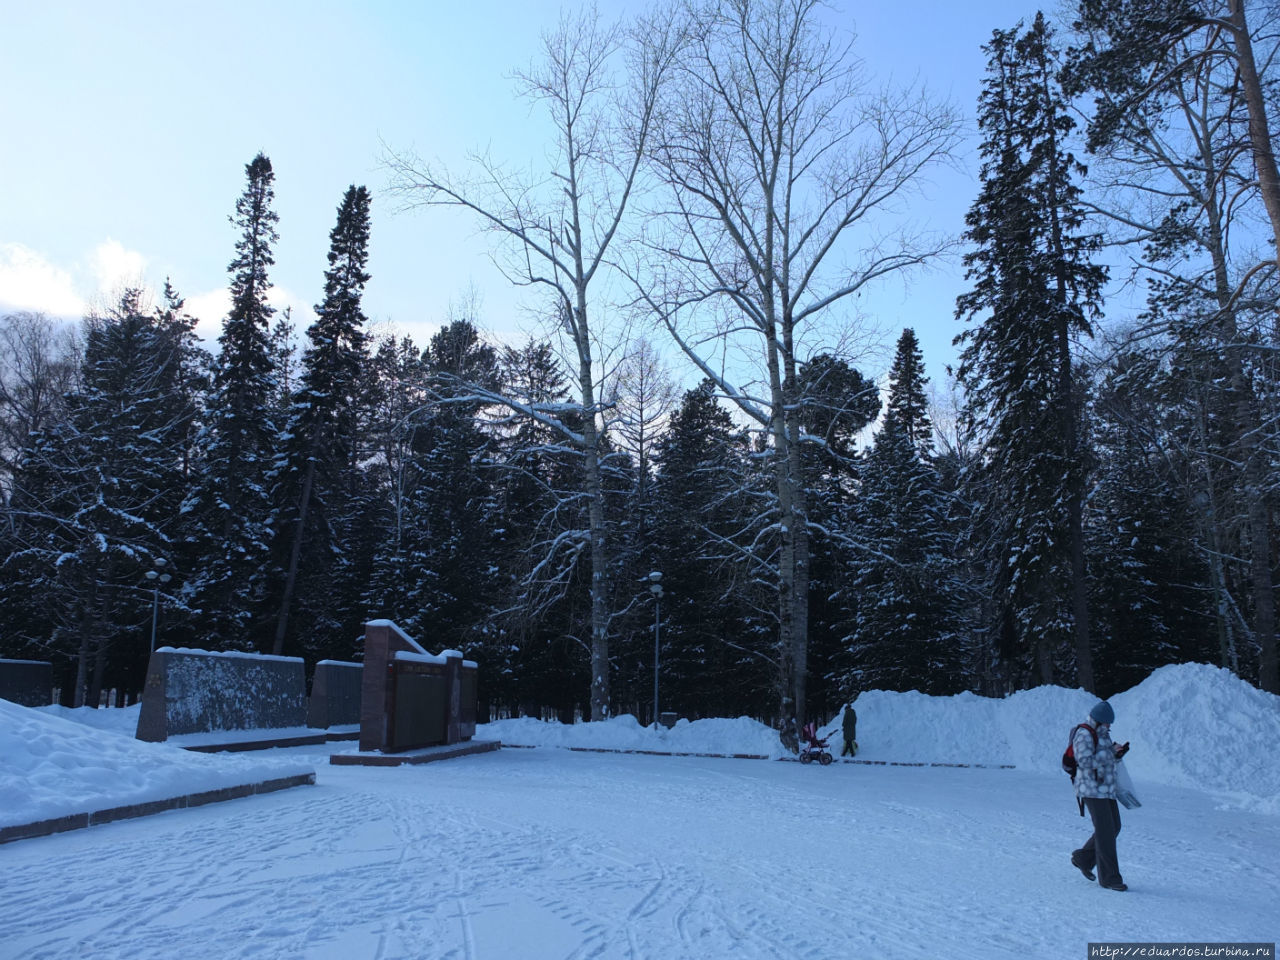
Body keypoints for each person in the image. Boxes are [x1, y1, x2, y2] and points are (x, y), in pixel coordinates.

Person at [1069, 700, 1131, 891]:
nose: (1109, 726)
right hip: (1091, 789)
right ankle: (1110, 878)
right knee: (1106, 832)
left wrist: (1117, 753)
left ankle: (1084, 858)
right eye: (1107, 722)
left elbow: (1104, 757)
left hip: (1105, 789)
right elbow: (1085, 761)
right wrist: (1110, 753)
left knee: (1114, 827)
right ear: (1098, 720)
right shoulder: (1084, 734)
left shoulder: (1102, 734)